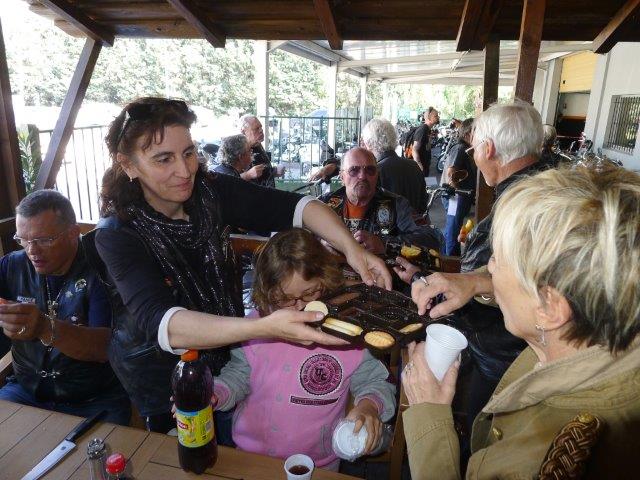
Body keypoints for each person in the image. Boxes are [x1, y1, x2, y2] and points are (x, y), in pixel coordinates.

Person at [94, 97, 391, 433]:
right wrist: (266, 327)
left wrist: (352, 250)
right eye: (163, 159)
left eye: (188, 153)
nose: (184, 170)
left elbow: (301, 208)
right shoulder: (117, 233)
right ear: (128, 164)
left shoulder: (211, 191)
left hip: (226, 366)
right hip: (164, 378)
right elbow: (165, 325)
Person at [401, 166, 640, 479]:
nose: (489, 267)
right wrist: (476, 283)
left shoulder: (538, 460)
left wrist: (429, 414)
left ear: (549, 308)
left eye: (498, 259)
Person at [395, 101, 544, 437]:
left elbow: (484, 292)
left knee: (481, 445)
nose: (474, 156)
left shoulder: (517, 207)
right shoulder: (544, 190)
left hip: (503, 360)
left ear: (488, 149)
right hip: (523, 354)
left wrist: (431, 281)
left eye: (474, 149)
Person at [213, 228, 396, 470]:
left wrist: (368, 407)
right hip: (250, 456)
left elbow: (376, 382)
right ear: (266, 293)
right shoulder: (254, 327)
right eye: (283, 299)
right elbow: (237, 377)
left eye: (309, 294)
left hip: (318, 464)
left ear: (326, 282)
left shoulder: (349, 335)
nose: (298, 308)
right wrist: (215, 393)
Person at [0, 190, 130, 424]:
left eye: (44, 240)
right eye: (23, 240)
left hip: (95, 399)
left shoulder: (102, 269)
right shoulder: (13, 265)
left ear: (73, 233)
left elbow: (104, 348)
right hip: (25, 391)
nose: (32, 251)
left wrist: (44, 327)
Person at [320, 147, 442, 255]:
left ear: (377, 175)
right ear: (342, 177)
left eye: (370, 170)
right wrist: (320, 242)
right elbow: (307, 232)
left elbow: (432, 239)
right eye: (354, 170)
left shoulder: (396, 204)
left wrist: (384, 244)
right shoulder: (325, 203)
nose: (362, 176)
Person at [362, 118, 427, 213]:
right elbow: (423, 205)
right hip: (413, 221)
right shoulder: (414, 166)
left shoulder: (375, 171)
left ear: (369, 143)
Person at [441, 118, 475, 256]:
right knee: (453, 229)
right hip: (455, 196)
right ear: (467, 134)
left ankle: (447, 255)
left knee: (454, 227)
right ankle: (451, 260)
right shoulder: (460, 149)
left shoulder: (466, 149)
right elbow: (451, 172)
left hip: (459, 196)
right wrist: (455, 194)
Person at [238, 114, 284, 187]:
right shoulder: (236, 149)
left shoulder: (257, 144)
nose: (261, 131)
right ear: (243, 132)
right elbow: (227, 180)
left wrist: (274, 171)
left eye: (261, 127)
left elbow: (261, 172)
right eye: (256, 129)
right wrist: (247, 175)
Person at [412, 107, 440, 176]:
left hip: (425, 165)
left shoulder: (428, 129)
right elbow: (414, 149)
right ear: (429, 118)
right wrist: (419, 166)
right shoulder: (423, 130)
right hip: (419, 168)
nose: (438, 117)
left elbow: (427, 147)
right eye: (436, 116)